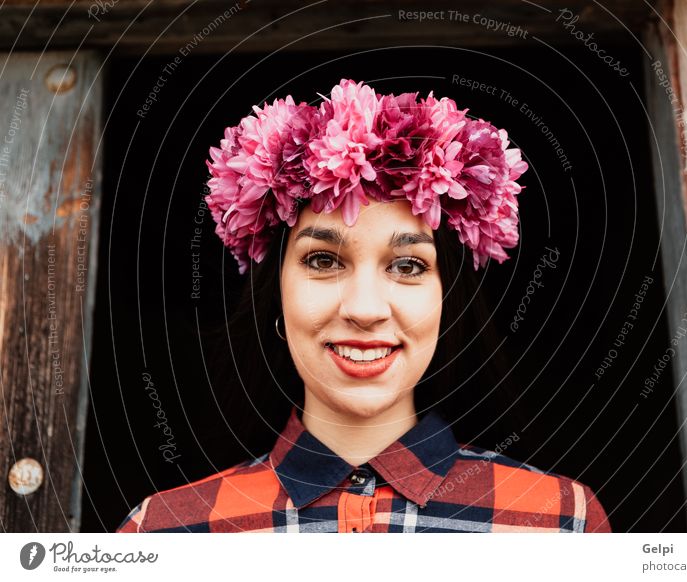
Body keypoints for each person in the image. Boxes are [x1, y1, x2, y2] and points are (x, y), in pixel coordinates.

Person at [116, 79, 610, 533]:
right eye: (324, 259)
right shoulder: (164, 532)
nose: (366, 308)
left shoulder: (562, 523)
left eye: (409, 266)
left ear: (447, 299)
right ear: (276, 292)